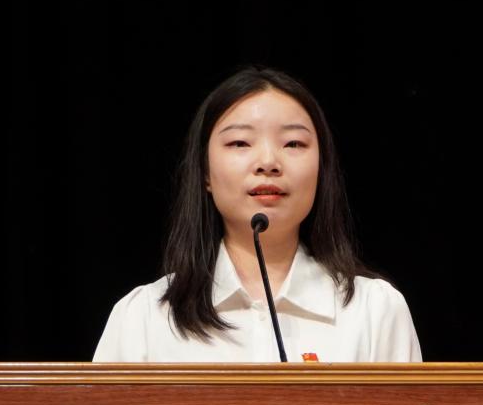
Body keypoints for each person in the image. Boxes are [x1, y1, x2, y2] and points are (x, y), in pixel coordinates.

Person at [93, 65, 422, 362]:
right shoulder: (144, 318)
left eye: (293, 144)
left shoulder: (375, 312)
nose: (268, 162)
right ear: (205, 172)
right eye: (240, 143)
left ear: (322, 169)